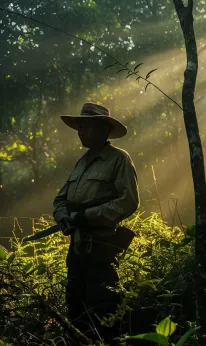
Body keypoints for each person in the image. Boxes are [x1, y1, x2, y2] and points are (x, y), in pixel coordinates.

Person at [53, 102, 139, 344]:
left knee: (103, 304)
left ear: (103, 129)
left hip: (101, 245)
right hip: (77, 246)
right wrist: (64, 218)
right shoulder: (81, 162)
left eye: (87, 127)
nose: (81, 132)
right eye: (80, 127)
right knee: (75, 302)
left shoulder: (119, 159)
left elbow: (129, 201)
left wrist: (88, 216)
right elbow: (60, 199)